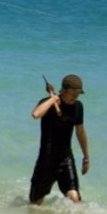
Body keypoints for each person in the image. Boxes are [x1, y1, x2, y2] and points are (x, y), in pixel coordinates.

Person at [28, 74, 90, 204]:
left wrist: (86, 157)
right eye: (73, 93)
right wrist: (52, 99)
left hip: (65, 158)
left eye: (78, 94)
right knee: (35, 203)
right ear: (64, 90)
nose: (76, 97)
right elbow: (35, 114)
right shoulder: (48, 103)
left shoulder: (78, 107)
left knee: (74, 198)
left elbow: (80, 132)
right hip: (46, 160)